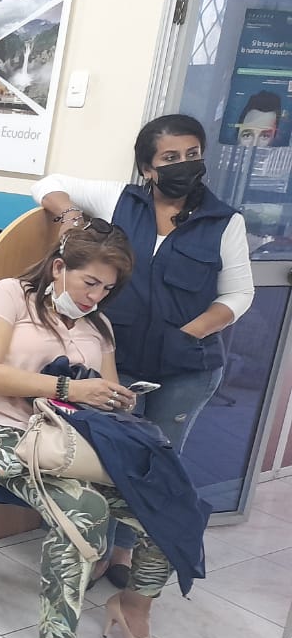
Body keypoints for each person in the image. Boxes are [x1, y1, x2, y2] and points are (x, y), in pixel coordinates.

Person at [0, 224, 173, 638]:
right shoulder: (9, 296)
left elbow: (106, 392)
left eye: (107, 289)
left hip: (71, 442)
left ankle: (133, 605)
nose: (96, 296)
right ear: (59, 267)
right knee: (85, 511)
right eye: (89, 282)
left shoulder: (100, 326)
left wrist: (115, 398)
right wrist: (69, 387)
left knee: (165, 498)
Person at [32, 113, 254, 585]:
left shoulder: (224, 220)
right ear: (148, 168)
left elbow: (239, 295)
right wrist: (69, 216)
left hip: (186, 367)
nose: (184, 164)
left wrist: (189, 333)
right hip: (120, 360)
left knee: (157, 462)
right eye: (170, 157)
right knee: (112, 455)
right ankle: (95, 548)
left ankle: (125, 553)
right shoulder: (120, 200)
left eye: (192, 154)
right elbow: (48, 184)